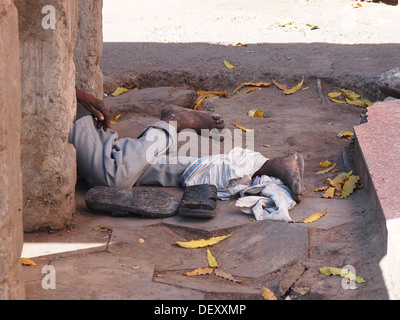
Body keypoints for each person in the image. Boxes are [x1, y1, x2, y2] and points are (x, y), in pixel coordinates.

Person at [70, 89, 305, 203]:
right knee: (169, 170)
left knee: (114, 175)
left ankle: (172, 121)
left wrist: (73, 93)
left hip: (70, 117)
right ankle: (267, 167)